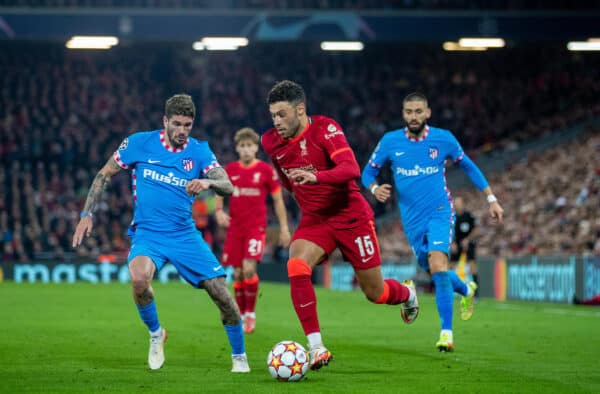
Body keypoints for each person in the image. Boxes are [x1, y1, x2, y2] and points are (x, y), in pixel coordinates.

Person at [72, 94, 250, 373]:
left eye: (187, 125)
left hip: (184, 235)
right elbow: (104, 174)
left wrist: (205, 181)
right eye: (177, 124)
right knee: (139, 279)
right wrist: (86, 214)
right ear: (165, 121)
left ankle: (239, 358)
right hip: (148, 234)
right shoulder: (139, 143)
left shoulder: (200, 151)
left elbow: (227, 185)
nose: (182, 131)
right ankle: (156, 334)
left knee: (221, 295)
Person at [261, 80, 419, 371]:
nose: (277, 122)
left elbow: (351, 170)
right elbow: (285, 177)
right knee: (296, 265)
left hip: (351, 217)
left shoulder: (326, 129)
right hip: (316, 220)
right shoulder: (271, 141)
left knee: (376, 293)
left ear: (300, 109)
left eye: (282, 114)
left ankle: (407, 293)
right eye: (273, 115)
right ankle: (317, 347)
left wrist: (316, 178)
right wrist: (301, 195)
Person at [361, 92, 504, 352]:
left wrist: (491, 198)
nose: (413, 116)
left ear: (428, 113)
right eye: (409, 112)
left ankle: (446, 334)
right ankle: (466, 289)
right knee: (435, 272)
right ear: (403, 114)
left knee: (438, 265)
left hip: (440, 211)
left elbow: (469, 166)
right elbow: (367, 171)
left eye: (418, 111)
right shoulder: (390, 141)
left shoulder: (443, 138)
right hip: (412, 219)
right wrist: (373, 188)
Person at [215, 127, 291, 334]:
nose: (246, 150)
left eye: (250, 146)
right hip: (235, 228)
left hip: (256, 228)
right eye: (243, 146)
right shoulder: (230, 170)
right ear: (237, 148)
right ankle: (240, 314)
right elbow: (219, 192)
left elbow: (277, 200)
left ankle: (251, 315)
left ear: (256, 148)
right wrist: (219, 211)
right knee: (238, 273)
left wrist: (284, 228)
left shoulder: (266, 171)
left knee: (249, 269)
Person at [450, 196, 479, 298]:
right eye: (455, 202)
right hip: (456, 244)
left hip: (468, 243)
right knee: (451, 267)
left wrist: (468, 239)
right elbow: (448, 231)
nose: (456, 204)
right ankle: (450, 291)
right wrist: (452, 243)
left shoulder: (469, 216)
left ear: (463, 204)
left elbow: (476, 229)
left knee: (472, 267)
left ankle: (476, 294)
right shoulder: (452, 217)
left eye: (458, 202)